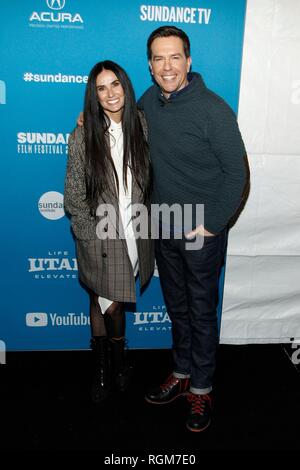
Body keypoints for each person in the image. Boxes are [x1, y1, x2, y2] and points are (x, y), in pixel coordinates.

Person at [138, 26, 249, 432]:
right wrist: (91, 118)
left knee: (200, 313)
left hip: (200, 234)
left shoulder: (212, 109)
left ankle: (201, 390)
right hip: (164, 226)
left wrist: (213, 225)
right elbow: (125, 131)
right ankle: (182, 372)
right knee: (178, 308)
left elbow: (237, 173)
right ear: (150, 66)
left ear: (188, 60)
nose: (167, 66)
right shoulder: (149, 101)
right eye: (158, 58)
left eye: (174, 57)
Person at [64, 60, 153, 404]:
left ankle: (114, 362)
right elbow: (73, 195)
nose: (110, 93)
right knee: (107, 303)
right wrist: (91, 237)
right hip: (101, 233)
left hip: (135, 231)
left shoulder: (140, 124)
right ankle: (109, 365)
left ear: (125, 87)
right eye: (101, 88)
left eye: (115, 84)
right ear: (94, 95)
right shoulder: (83, 135)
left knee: (103, 301)